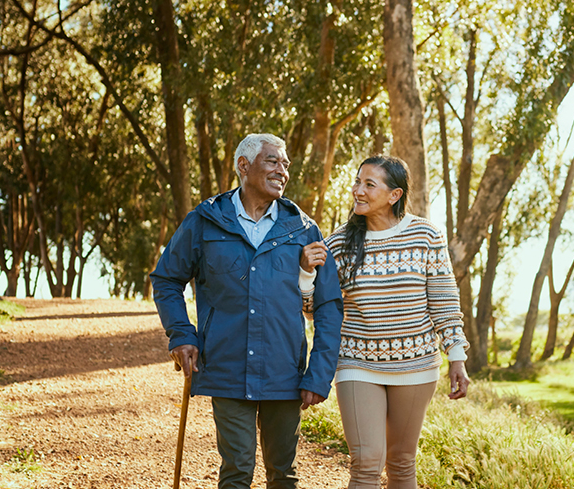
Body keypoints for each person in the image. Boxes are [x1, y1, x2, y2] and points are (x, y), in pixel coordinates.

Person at [151, 133, 343, 489]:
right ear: (244, 166)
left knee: (283, 474)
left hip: (283, 372)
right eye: (272, 161)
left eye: (285, 164)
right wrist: (181, 334)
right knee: (237, 469)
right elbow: (166, 280)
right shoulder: (205, 221)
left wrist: (318, 374)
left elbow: (328, 306)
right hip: (226, 367)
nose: (282, 170)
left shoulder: (302, 229)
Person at [306, 155, 470, 489]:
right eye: (357, 182)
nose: (358, 191)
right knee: (366, 462)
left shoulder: (426, 236)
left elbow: (444, 302)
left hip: (415, 364)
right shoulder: (337, 243)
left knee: (401, 462)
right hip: (357, 362)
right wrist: (306, 272)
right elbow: (313, 308)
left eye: (369, 184)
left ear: (394, 195)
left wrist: (457, 356)